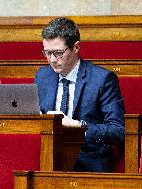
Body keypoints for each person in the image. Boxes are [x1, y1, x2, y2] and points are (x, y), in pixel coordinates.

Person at [35, 17, 125, 172]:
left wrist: (80, 127)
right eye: (47, 53)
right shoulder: (42, 76)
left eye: (58, 53)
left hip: (88, 162)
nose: (52, 60)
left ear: (76, 48)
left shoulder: (102, 79)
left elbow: (118, 130)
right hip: (47, 159)